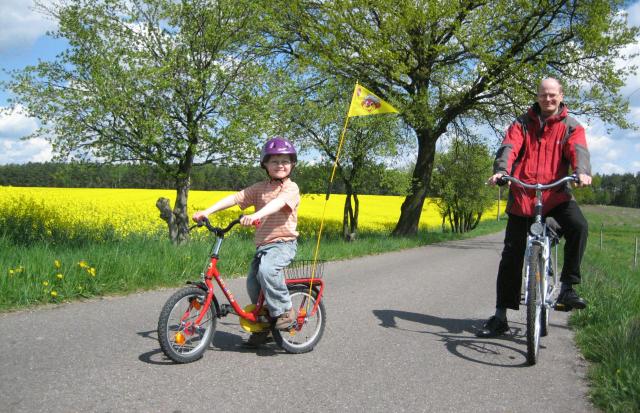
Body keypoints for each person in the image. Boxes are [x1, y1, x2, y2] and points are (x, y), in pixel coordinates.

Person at [477, 77, 592, 338]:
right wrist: (502, 171)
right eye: (543, 95)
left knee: (579, 227)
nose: (548, 99)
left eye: (552, 95)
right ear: (537, 96)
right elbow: (509, 147)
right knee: (511, 257)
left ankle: (567, 288)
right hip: (523, 196)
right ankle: (500, 316)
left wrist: (581, 172)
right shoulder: (521, 123)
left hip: (555, 196)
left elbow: (579, 151)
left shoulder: (571, 127)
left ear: (561, 96)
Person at [192, 137, 300, 346]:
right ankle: (264, 324)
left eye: (285, 161)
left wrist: (256, 214)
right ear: (265, 164)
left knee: (267, 271)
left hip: (283, 243)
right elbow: (235, 198)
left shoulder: (291, 188)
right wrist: (207, 211)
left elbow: (278, 204)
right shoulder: (260, 187)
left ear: (292, 164)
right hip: (263, 246)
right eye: (275, 161)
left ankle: (285, 310)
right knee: (253, 283)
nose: (280, 165)